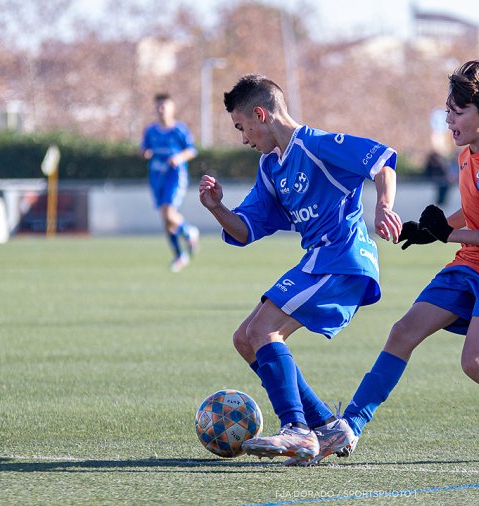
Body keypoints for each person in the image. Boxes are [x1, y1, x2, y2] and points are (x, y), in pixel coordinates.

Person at [305, 60, 479, 466]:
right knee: (402, 332)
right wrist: (431, 229)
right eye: (448, 111)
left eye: (458, 112)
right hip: (471, 262)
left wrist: (444, 234)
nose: (449, 120)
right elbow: (474, 211)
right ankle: (350, 427)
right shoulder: (467, 155)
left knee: (477, 364)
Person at [198, 74, 402, 464]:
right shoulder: (271, 167)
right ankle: (326, 426)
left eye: (243, 127)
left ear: (261, 114)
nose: (243, 138)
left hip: (343, 258)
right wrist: (217, 208)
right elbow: (245, 230)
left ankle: (296, 430)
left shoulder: (317, 146)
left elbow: (381, 162)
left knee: (263, 329)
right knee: (245, 339)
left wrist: (384, 206)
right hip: (318, 262)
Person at [140, 93, 200, 272]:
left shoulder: (179, 130)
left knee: (168, 211)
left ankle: (189, 231)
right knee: (166, 220)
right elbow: (143, 148)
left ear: (172, 108)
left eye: (164, 106)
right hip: (156, 176)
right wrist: (145, 153)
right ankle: (179, 255)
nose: (161, 110)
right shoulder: (150, 130)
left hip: (175, 176)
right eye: (158, 106)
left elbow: (191, 150)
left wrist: (178, 157)